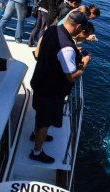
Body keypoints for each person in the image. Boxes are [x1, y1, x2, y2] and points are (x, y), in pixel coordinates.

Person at [29, 10, 91, 163]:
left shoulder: (52, 30)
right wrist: (84, 66)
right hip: (50, 92)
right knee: (45, 122)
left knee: (41, 115)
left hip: (39, 82)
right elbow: (71, 77)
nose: (83, 32)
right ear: (77, 26)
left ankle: (34, 134)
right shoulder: (67, 48)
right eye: (82, 29)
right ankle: (36, 152)